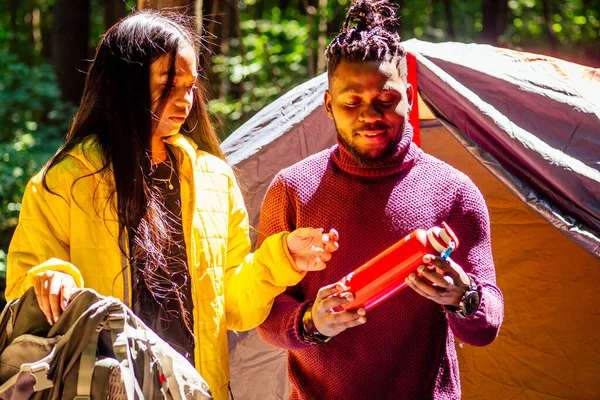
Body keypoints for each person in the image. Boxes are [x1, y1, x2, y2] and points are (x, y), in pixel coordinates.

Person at [5, 11, 339, 400]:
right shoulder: (65, 180)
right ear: (125, 83)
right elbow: (23, 289)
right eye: (170, 83)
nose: (186, 99)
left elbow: (234, 307)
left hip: (195, 390)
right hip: (102, 389)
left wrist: (281, 258)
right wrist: (52, 278)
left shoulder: (214, 177)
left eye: (191, 85)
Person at [256, 0, 504, 398]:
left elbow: (486, 326)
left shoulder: (455, 191)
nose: (369, 115)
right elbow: (265, 315)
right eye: (351, 102)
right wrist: (309, 321)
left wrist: (466, 296)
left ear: (409, 96)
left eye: (385, 100)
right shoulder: (293, 189)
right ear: (328, 105)